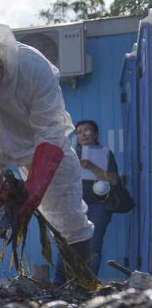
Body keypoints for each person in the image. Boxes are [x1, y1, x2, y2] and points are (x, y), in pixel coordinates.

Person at [0, 24, 93, 291]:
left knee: (69, 213)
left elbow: (51, 131)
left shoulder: (32, 67)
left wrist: (32, 191)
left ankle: (81, 288)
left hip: (39, 144)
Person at [53, 119, 119, 280]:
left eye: (87, 130)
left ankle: (88, 284)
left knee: (94, 244)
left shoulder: (105, 153)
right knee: (66, 242)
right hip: (73, 203)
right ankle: (60, 283)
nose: (83, 134)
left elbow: (114, 180)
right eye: (79, 131)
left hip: (99, 204)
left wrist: (92, 167)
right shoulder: (69, 153)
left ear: (95, 134)